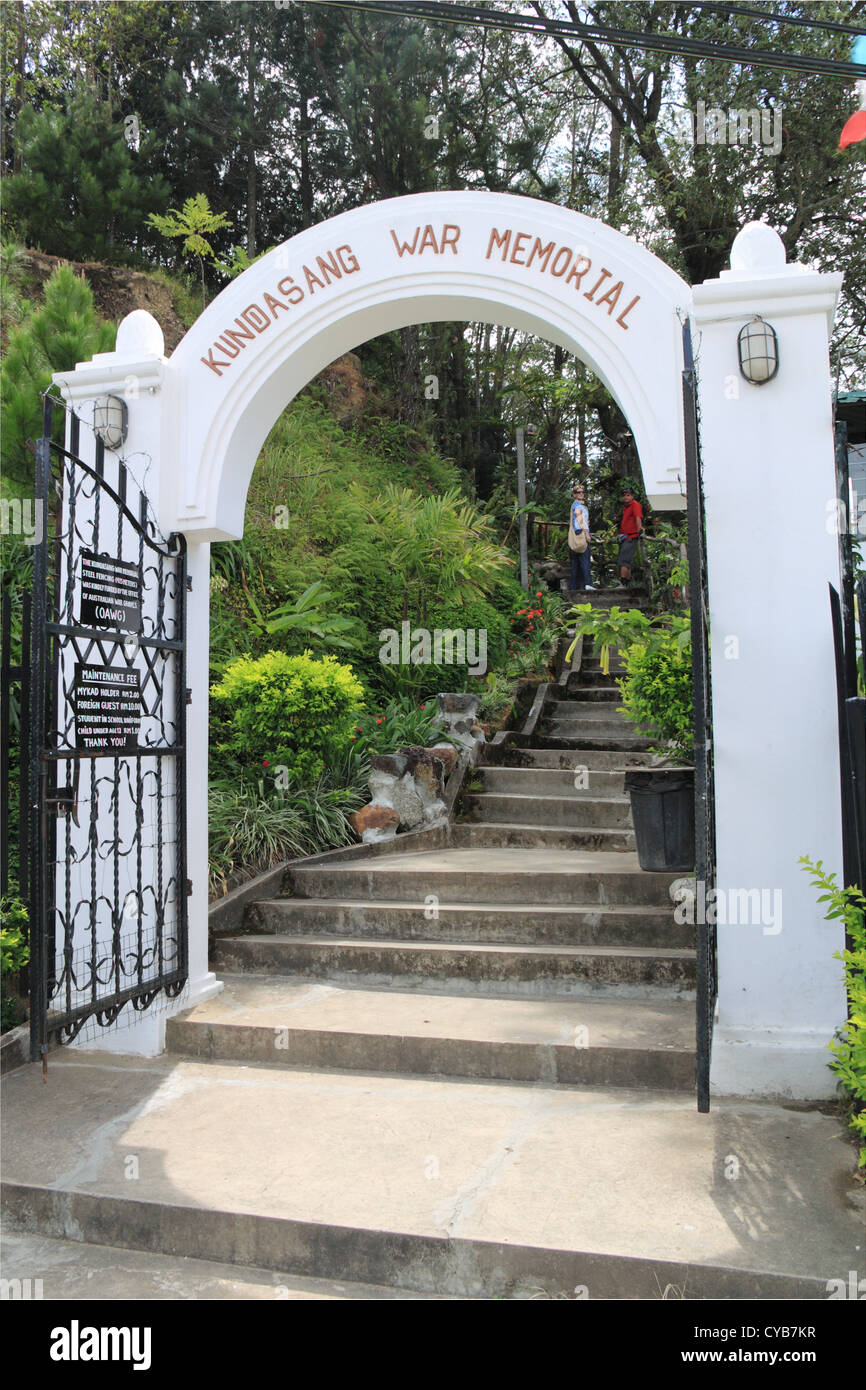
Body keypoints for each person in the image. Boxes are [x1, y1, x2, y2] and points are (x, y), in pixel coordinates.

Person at [569, 484, 594, 592]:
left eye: (582, 492)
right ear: (574, 494)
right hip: (581, 535)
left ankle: (573, 587)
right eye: (578, 492)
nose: (581, 494)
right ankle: (588, 583)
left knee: (576, 563)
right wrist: (587, 533)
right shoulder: (578, 506)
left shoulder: (576, 505)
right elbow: (580, 520)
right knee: (585, 560)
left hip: (577, 535)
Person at [617, 487, 643, 586]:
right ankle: (627, 584)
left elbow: (638, 517)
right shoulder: (625, 507)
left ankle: (623, 583)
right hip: (625, 536)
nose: (625, 497)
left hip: (631, 536)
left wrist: (639, 528)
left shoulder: (635, 505)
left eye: (628, 495)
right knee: (625, 560)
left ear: (632, 496)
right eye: (624, 495)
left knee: (624, 560)